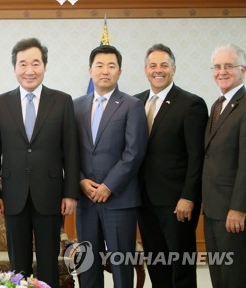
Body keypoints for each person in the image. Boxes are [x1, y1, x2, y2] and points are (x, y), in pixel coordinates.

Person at [0, 38, 79, 287]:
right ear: (14, 68)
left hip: (50, 193)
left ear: (44, 66)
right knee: (18, 262)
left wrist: (71, 193)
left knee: (49, 260)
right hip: (13, 195)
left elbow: (71, 151)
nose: (29, 70)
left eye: (35, 63)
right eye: (23, 64)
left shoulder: (61, 101)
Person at [133, 43, 208, 288]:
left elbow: (197, 156)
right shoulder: (135, 102)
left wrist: (188, 196)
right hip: (144, 201)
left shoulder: (191, 104)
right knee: (157, 264)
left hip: (177, 203)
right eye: (152, 65)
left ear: (173, 69)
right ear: (145, 70)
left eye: (164, 65)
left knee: (180, 266)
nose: (158, 70)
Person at [73, 45, 148, 287]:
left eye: (111, 66)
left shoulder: (132, 105)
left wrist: (108, 186)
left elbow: (134, 152)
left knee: (121, 266)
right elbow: (68, 151)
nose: (105, 71)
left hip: (119, 200)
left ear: (120, 71)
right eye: (99, 65)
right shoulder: (75, 106)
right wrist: (81, 179)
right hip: (86, 200)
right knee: (88, 265)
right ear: (90, 70)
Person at [202, 43, 245, 288]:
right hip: (212, 210)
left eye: (229, 66)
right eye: (217, 67)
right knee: (218, 276)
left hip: (232, 212)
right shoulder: (217, 105)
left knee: (234, 277)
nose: (222, 71)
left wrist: (238, 208)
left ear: (243, 70)